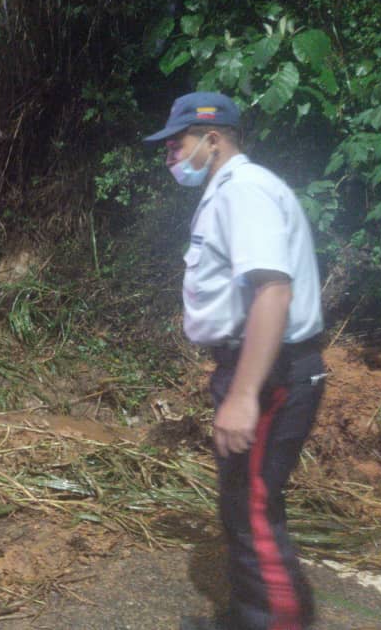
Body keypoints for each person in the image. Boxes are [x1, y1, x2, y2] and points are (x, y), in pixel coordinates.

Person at [143, 92, 326, 630]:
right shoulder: (230, 192)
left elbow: (272, 291)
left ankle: (272, 618)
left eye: (177, 145)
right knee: (245, 504)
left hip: (271, 374)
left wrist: (244, 394)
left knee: (251, 511)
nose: (170, 156)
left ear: (213, 139)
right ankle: (251, 615)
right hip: (256, 367)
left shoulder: (243, 193)